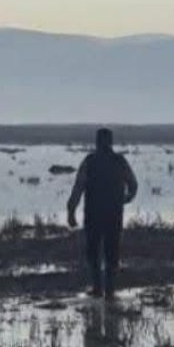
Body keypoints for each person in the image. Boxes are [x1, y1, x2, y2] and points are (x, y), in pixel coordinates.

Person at [66, 128, 138, 299]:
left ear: (97, 142)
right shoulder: (119, 161)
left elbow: (78, 187)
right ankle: (109, 290)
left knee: (94, 253)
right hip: (113, 214)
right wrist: (126, 199)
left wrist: (71, 211)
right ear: (110, 142)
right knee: (111, 253)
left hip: (94, 214)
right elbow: (133, 185)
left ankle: (99, 289)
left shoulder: (90, 161)